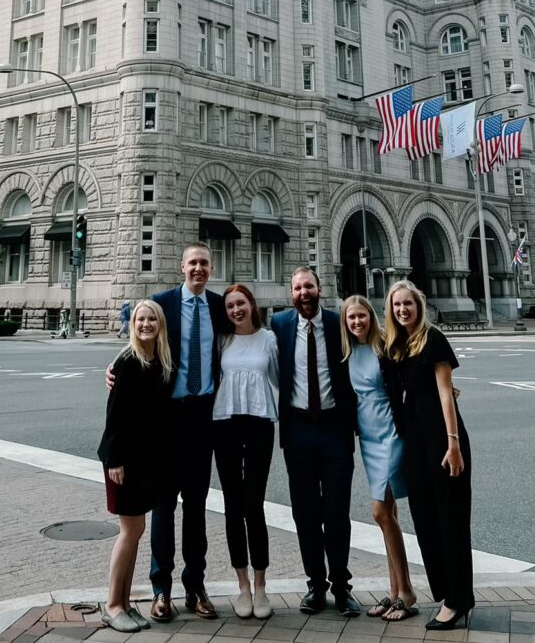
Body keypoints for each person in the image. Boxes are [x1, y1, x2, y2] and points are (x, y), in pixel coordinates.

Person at [107, 242, 229, 621]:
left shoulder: (218, 306)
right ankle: (161, 590)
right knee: (163, 508)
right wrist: (112, 368)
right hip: (166, 422)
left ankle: (196, 587)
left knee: (196, 507)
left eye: (204, 264)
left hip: (202, 419)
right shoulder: (162, 303)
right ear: (181, 267)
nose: (198, 269)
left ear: (211, 268)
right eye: (192, 263)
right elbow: (138, 342)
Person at [270, 266, 360, 618]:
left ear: (319, 289)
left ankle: (341, 587)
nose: (303, 292)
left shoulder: (340, 323)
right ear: (290, 294)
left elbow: (376, 349)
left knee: (337, 512)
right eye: (297, 288)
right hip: (298, 431)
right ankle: (315, 585)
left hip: (336, 429)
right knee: (305, 514)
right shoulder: (279, 325)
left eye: (309, 286)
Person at [385, 280, 474, 632]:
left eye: (408, 304)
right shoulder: (399, 343)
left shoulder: (432, 338)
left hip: (441, 438)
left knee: (450, 520)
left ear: (419, 305)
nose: (403, 310)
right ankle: (446, 593)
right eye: (397, 305)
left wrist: (453, 443)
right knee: (425, 519)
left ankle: (458, 601)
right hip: (415, 441)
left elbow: (445, 393)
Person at [98, 299, 173, 633]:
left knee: (137, 529)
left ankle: (125, 603)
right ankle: (113, 605)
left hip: (146, 460)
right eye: (141, 319)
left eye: (152, 319)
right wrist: (114, 459)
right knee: (130, 531)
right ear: (132, 324)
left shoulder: (160, 361)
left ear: (160, 325)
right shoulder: (127, 360)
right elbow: (114, 415)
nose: (146, 324)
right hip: (123, 461)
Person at [340, 296, 417, 622]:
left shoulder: (384, 348)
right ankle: (395, 590)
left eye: (362, 316)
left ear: (371, 317)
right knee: (389, 516)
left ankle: (408, 593)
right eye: (351, 318)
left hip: (391, 436)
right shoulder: (346, 353)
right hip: (368, 441)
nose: (357, 322)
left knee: (380, 513)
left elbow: (412, 378)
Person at [212, 284, 279, 620]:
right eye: (230, 306)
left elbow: (284, 380)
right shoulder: (222, 340)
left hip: (259, 425)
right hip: (224, 424)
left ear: (252, 305)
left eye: (241, 304)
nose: (236, 310)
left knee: (254, 505)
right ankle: (241, 586)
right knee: (232, 506)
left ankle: (261, 585)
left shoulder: (268, 339)